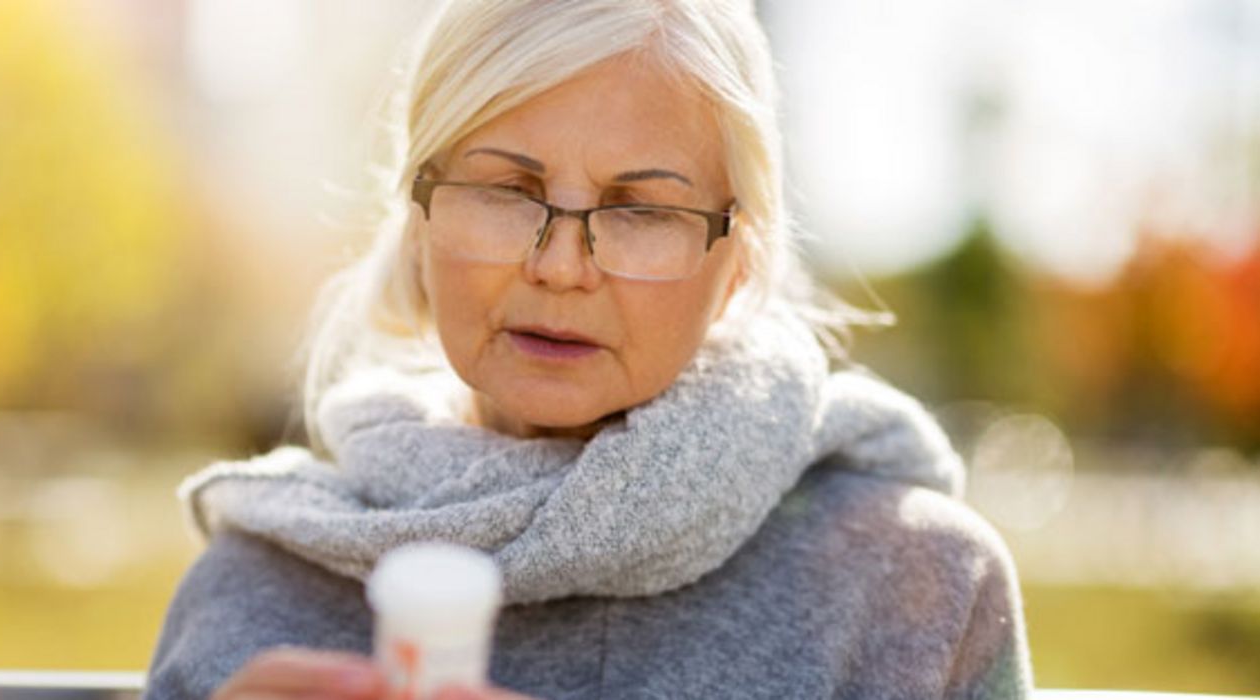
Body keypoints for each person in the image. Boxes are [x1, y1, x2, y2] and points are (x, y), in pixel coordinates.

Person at [144, 1, 1034, 698]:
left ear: (736, 264)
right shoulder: (248, 591)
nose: (561, 266)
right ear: (417, 223)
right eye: (503, 189)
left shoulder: (913, 585)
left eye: (642, 209)